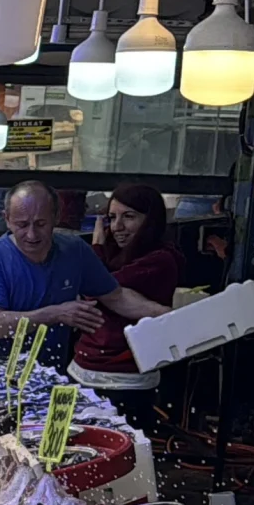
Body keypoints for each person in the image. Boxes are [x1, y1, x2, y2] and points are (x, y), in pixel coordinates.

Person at [0, 180, 168, 370]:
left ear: (56, 217)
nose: (31, 234)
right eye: (22, 225)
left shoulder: (74, 250)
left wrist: (167, 314)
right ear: (7, 220)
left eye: (40, 224)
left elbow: (117, 297)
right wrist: (56, 313)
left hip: (50, 374)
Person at [69, 184, 182, 430]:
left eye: (128, 217)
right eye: (112, 218)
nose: (117, 226)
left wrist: (96, 245)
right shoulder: (115, 255)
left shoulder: (161, 260)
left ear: (150, 220)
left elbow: (97, 286)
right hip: (84, 369)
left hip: (125, 379)